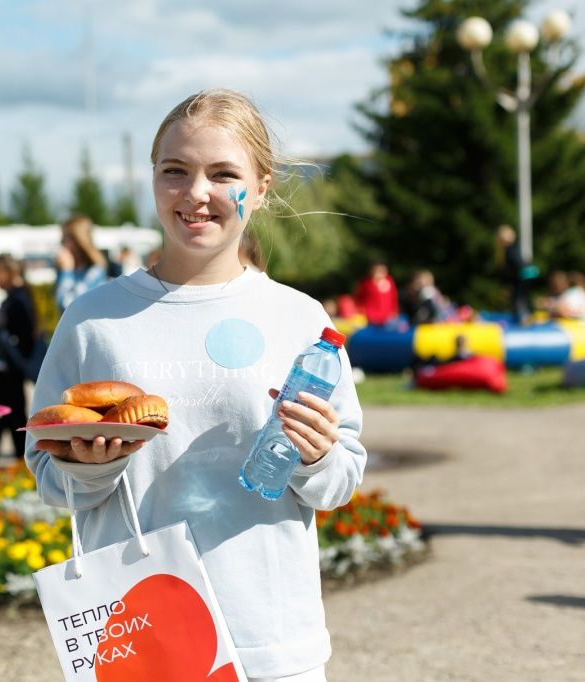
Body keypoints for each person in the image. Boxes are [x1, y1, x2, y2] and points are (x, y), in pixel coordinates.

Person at [25, 89, 366, 681]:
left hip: (272, 638)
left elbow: (340, 482)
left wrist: (318, 458)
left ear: (260, 187)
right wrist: (91, 467)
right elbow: (52, 480)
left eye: (223, 174)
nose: (196, 193)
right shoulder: (93, 319)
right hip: (143, 640)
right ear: (153, 180)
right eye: (174, 172)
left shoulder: (302, 321)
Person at [0, 254, 38, 463]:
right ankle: (19, 462)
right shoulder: (19, 294)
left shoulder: (17, 297)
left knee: (3, 416)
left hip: (12, 366)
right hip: (13, 366)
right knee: (11, 415)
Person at [54, 214, 108, 312]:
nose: (62, 242)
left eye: (68, 238)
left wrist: (66, 271)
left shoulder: (95, 271)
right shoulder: (71, 270)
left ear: (80, 241)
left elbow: (66, 305)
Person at [495, 225, 534, 323]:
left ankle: (523, 319)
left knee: (518, 298)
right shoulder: (515, 248)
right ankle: (526, 315)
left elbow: (513, 268)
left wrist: (507, 284)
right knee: (523, 297)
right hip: (527, 273)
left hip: (522, 275)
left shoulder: (509, 251)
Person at [353, 260, 399, 326]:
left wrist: (394, 312)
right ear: (371, 271)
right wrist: (362, 312)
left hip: (387, 318)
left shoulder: (390, 282)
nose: (379, 274)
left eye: (382, 271)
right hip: (369, 318)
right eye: (376, 271)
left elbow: (394, 299)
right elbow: (358, 299)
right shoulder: (366, 283)